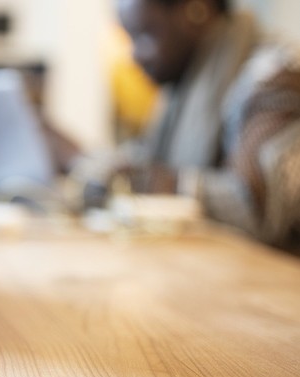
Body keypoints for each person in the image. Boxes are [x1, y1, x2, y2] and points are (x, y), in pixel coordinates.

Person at [71, 0, 300, 250]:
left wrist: (148, 181)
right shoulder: (181, 88)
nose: (135, 56)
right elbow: (143, 157)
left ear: (196, 12)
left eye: (145, 35)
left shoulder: (275, 76)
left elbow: (256, 208)